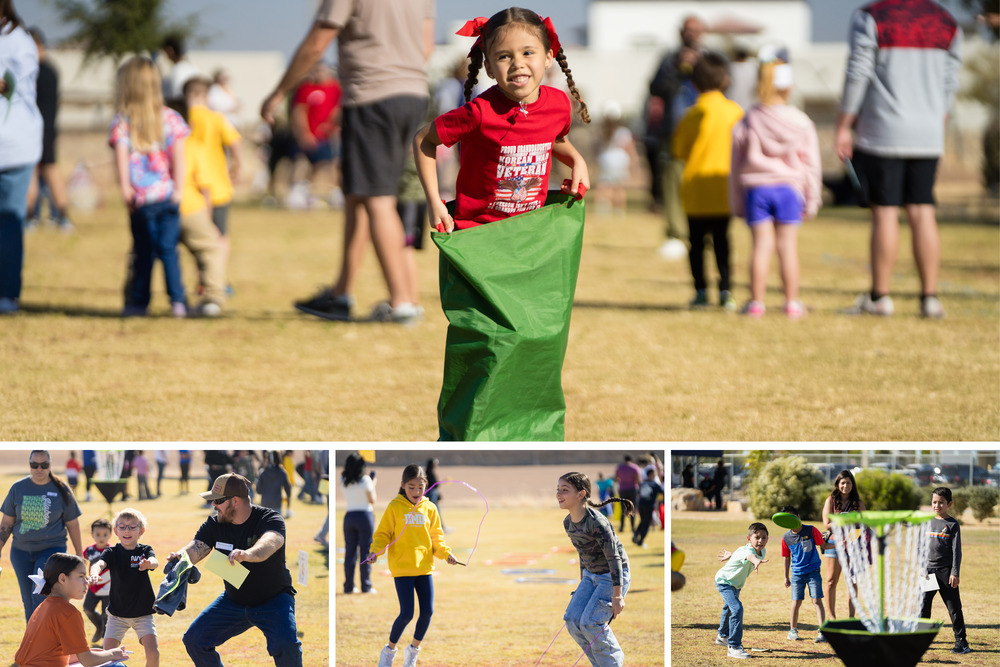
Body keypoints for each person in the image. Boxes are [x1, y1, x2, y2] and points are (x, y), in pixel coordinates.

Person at [262, 0, 435, 325]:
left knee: (377, 198)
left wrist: (277, 93)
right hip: (413, 95)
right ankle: (341, 294)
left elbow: (316, 45)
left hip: (371, 98)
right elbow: (425, 46)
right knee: (357, 194)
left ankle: (401, 305)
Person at [836, 0, 962, 318]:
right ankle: (930, 299)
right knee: (922, 209)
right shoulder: (946, 21)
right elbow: (951, 79)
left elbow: (859, 71)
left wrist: (844, 124)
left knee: (885, 212)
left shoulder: (871, 16)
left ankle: (880, 298)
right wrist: (938, 120)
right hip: (929, 132)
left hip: (882, 131)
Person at [414, 8, 589, 233]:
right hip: (477, 235)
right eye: (504, 56)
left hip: (530, 233)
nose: (517, 63)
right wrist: (434, 201)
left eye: (528, 52)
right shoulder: (478, 112)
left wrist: (576, 161)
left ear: (548, 57)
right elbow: (423, 140)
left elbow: (552, 139)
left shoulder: (559, 105)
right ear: (489, 68)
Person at [172, 473, 301, 665]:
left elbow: (272, 541)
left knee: (286, 645)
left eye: (218, 501)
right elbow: (196, 547)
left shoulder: (269, 518)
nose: (213, 505)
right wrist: (179, 557)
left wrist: (249, 554)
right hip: (234, 601)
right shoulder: (215, 523)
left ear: (234, 501)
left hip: (274, 600)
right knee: (194, 640)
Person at [730, 58, 821, 319]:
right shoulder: (802, 122)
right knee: (787, 247)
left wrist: (735, 200)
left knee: (761, 246)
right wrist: (812, 198)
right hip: (789, 190)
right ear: (788, 86)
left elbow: (735, 165)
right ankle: (791, 302)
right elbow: (811, 165)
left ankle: (756, 303)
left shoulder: (748, 120)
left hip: (756, 189)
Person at [111, 56, 190, 317]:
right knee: (168, 250)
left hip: (140, 200)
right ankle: (178, 301)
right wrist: (179, 189)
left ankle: (138, 303)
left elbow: (121, 159)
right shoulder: (172, 119)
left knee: (143, 252)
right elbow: (180, 158)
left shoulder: (123, 122)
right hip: (168, 197)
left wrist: (125, 189)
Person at [364, 464, 457, 667]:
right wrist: (375, 551)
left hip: (424, 568)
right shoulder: (395, 507)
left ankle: (412, 652)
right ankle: (389, 651)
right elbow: (383, 535)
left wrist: (446, 554)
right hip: (402, 569)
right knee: (406, 613)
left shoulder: (430, 508)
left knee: (427, 612)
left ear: (426, 487)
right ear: (403, 485)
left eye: (420, 488)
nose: (416, 492)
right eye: (411, 487)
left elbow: (437, 539)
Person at [673, 52, 744, 311]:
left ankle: (701, 292)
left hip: (695, 190)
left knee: (696, 244)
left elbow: (679, 150)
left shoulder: (692, 114)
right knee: (723, 242)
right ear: (726, 80)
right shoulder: (735, 111)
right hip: (725, 188)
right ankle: (727, 293)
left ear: (694, 83)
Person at [557, 472, 633, 667]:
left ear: (581, 494)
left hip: (613, 575)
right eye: (558, 490)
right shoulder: (568, 523)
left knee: (591, 623)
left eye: (564, 490)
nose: (558, 494)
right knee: (573, 620)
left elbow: (614, 558)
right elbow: (583, 555)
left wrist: (617, 596)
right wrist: (583, 582)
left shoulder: (597, 522)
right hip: (591, 576)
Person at [647, 15, 706, 260]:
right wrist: (675, 68)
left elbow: (721, 84)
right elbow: (654, 87)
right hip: (673, 131)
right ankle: (676, 234)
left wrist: (699, 66)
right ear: (681, 32)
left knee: (702, 182)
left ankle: (703, 234)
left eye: (695, 30)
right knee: (672, 181)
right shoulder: (669, 59)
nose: (691, 34)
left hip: (704, 131)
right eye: (687, 30)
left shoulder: (711, 58)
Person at [0, 450, 84, 621]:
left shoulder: (61, 489)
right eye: (34, 465)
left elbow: (73, 524)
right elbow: (6, 524)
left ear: (50, 465)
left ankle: (45, 637)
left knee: (39, 594)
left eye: (44, 465)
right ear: (29, 464)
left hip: (51, 550)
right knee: (28, 600)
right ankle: (33, 641)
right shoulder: (18, 488)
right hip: (20, 552)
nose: (39, 469)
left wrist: (79, 554)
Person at [0, 0, 43, 315]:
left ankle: (7, 292)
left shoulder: (14, 42)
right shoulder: (22, 40)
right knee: (10, 222)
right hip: (20, 141)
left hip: (12, 145)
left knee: (11, 221)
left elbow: (13, 87)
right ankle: (8, 294)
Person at [14, 552, 130, 667]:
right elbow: (87, 661)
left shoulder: (44, 606)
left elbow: (49, 655)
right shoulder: (68, 612)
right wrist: (113, 653)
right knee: (117, 666)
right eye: (81, 577)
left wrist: (99, 653)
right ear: (63, 578)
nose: (87, 582)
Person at [88, 508, 159, 667]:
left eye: (132, 527)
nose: (127, 530)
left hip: (143, 614)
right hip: (117, 615)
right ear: (115, 531)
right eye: (122, 527)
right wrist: (94, 573)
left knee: (153, 652)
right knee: (107, 657)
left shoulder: (144, 550)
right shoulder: (111, 552)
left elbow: (155, 561)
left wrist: (149, 564)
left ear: (141, 531)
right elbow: (99, 564)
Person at [25, 27, 72, 232]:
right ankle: (62, 216)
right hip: (50, 130)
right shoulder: (52, 71)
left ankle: (29, 217)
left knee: (32, 173)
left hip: (36, 131)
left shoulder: (34, 72)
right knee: (52, 171)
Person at [920, 487, 972, 654]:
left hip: (946, 572)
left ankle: (961, 642)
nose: (937, 505)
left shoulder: (952, 524)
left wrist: (955, 572)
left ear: (949, 504)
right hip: (928, 572)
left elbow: (957, 551)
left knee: (954, 608)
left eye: (941, 502)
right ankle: (921, 639)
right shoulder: (927, 521)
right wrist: (921, 566)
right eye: (934, 502)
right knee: (923, 607)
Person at [715, 522, 769, 660]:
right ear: (748, 539)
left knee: (729, 608)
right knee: (737, 609)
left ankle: (722, 636)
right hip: (724, 582)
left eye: (764, 537)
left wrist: (732, 555)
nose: (760, 541)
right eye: (757, 537)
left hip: (735, 584)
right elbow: (748, 555)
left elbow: (742, 553)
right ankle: (733, 646)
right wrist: (755, 561)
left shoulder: (762, 551)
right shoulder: (749, 552)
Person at [778, 505, 831, 644]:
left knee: (817, 600)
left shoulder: (811, 530)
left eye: (792, 517)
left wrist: (841, 544)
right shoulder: (786, 538)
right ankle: (793, 630)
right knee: (796, 602)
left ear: (798, 517)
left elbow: (823, 546)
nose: (790, 521)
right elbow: (786, 557)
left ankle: (822, 631)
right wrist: (786, 576)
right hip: (797, 574)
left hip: (813, 571)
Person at [821, 469, 866, 619]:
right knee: (830, 581)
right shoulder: (830, 500)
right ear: (837, 484)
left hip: (854, 543)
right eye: (842, 483)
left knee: (852, 581)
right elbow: (827, 524)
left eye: (848, 483)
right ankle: (832, 617)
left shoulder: (858, 503)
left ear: (852, 484)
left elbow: (864, 524)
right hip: (834, 543)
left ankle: (851, 617)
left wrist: (852, 535)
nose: (845, 486)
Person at [594, 100, 637, 217]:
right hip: (620, 160)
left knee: (604, 185)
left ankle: (603, 209)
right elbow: (630, 149)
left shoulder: (602, 130)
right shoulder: (624, 131)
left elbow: (598, 147)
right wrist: (634, 164)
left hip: (606, 159)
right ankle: (619, 211)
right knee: (619, 187)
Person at [341, 451, 377, 594]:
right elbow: (372, 500)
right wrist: (373, 482)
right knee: (365, 552)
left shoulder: (342, 479)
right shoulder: (366, 480)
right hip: (364, 516)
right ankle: (366, 586)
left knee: (349, 553)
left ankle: (348, 587)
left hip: (349, 516)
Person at [83, 518, 112, 645]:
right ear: (92, 535)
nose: (101, 537)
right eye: (98, 534)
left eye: (105, 535)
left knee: (106, 614)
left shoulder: (113, 551)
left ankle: (106, 641)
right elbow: (82, 563)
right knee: (87, 608)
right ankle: (99, 626)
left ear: (110, 535)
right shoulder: (89, 551)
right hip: (93, 586)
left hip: (109, 588)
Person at [160, 33, 199, 109]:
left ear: (170, 50)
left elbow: (176, 97)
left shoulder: (178, 70)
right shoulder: (192, 67)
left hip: (183, 113)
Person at [633, 468, 664, 548]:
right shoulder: (654, 484)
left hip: (641, 504)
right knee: (647, 523)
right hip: (649, 505)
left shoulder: (643, 483)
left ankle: (636, 535)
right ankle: (641, 540)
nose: (655, 475)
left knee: (642, 520)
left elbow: (639, 493)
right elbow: (662, 492)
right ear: (651, 474)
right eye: (654, 474)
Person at [257, 450, 293, 517]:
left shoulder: (263, 472)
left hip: (265, 503)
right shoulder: (282, 472)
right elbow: (288, 489)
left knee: (264, 525)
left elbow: (258, 490)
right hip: (277, 503)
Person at [613, 456, 642, 533]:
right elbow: (638, 479)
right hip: (633, 489)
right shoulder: (635, 467)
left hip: (623, 490)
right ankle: (633, 527)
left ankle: (622, 527)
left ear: (624, 460)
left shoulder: (620, 468)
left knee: (623, 509)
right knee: (632, 508)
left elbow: (616, 479)